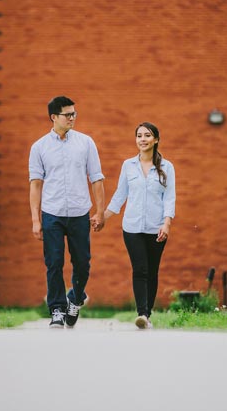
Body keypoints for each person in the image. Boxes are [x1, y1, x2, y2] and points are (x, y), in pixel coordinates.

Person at [29, 96, 105, 328]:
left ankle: (75, 298)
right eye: (67, 114)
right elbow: (36, 184)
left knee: (83, 262)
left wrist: (100, 211)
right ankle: (57, 310)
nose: (72, 118)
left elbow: (96, 179)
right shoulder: (39, 147)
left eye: (74, 114)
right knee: (54, 262)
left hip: (80, 212)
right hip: (51, 213)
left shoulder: (85, 143)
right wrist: (36, 219)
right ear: (54, 117)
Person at [96, 122, 175, 329]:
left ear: (155, 139)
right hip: (132, 227)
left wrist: (166, 224)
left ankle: (147, 314)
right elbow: (120, 195)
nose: (142, 139)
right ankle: (142, 314)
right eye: (139, 136)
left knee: (152, 271)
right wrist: (103, 216)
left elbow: (170, 198)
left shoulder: (167, 167)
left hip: (156, 227)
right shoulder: (128, 165)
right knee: (140, 269)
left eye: (147, 135)